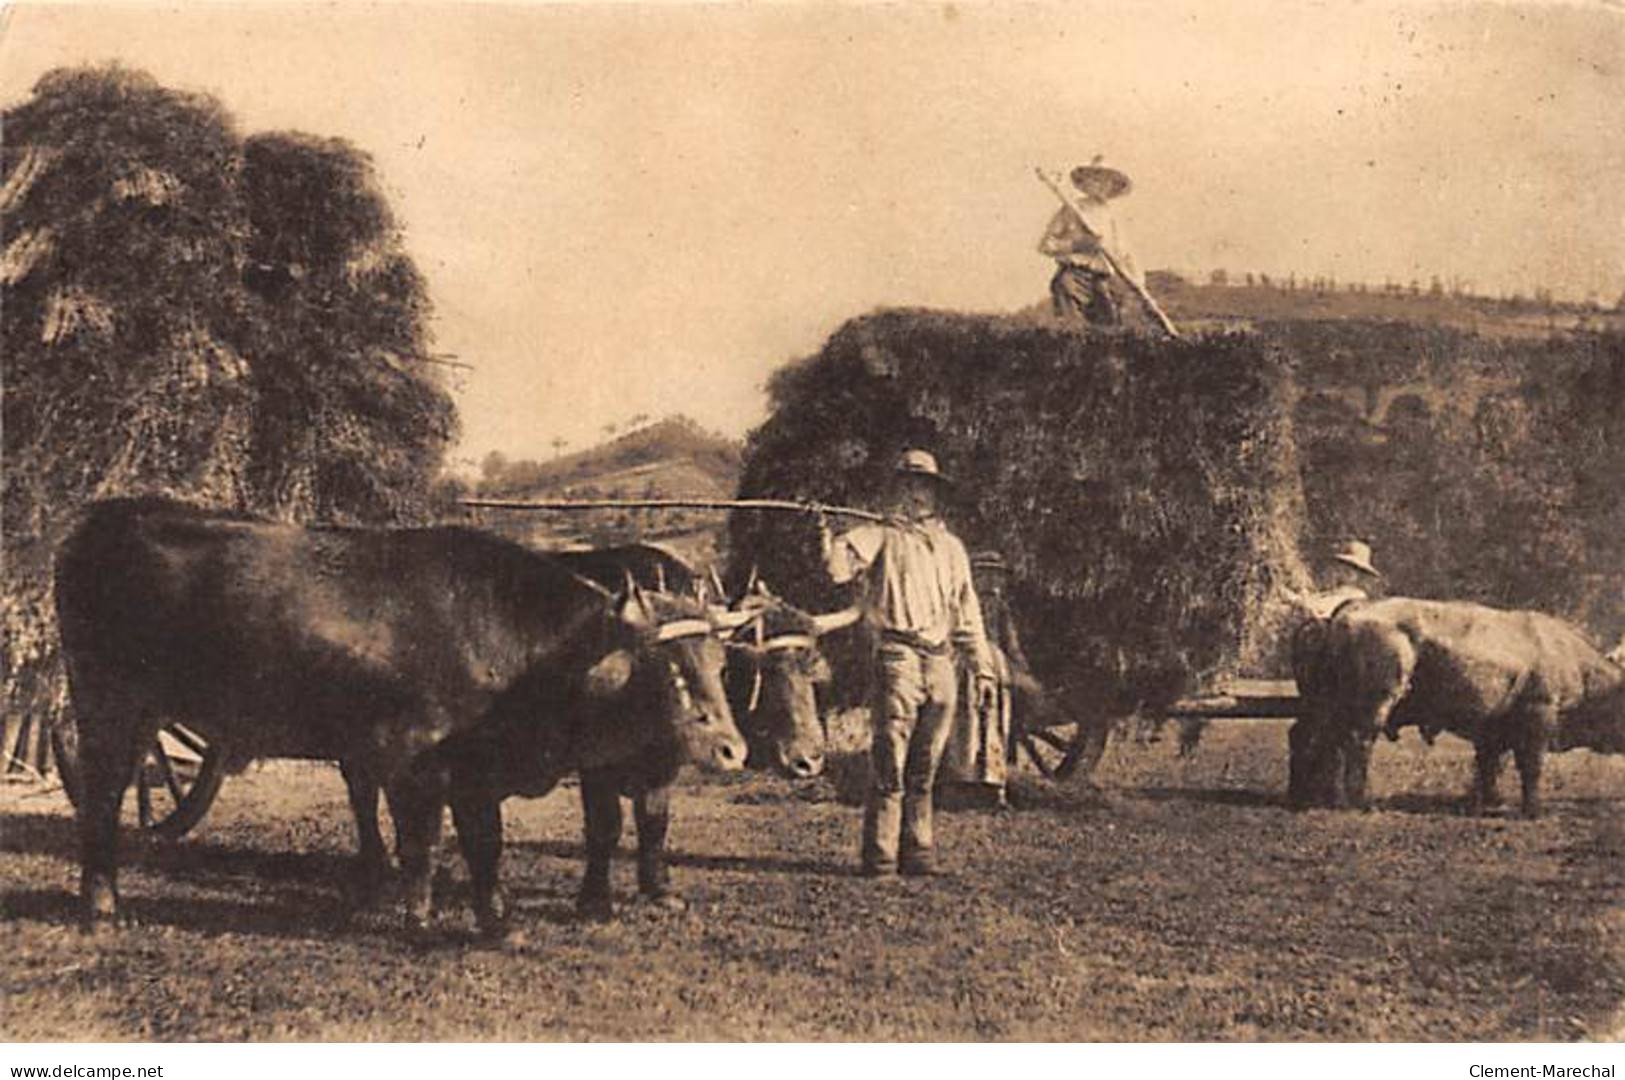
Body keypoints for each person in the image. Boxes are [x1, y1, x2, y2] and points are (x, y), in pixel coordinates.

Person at [817, 449, 996, 877]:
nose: (916, 495)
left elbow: (967, 613)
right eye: (908, 486)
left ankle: (919, 851)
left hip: (941, 662)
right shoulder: (880, 535)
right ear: (897, 490)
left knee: (926, 764)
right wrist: (830, 534)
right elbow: (838, 571)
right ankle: (880, 856)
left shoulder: (952, 549)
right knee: (890, 762)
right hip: (898, 658)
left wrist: (982, 667)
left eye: (924, 487)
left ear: (936, 495)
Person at [941, 551, 1038, 810]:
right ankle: (964, 781)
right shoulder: (961, 604)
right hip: (967, 664)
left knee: (992, 724)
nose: (991, 582)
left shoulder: (999, 607)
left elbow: (1011, 642)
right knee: (966, 725)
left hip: (993, 667)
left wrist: (1022, 670)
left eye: (995, 576)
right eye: (984, 575)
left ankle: (992, 785)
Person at [1037, 158, 1143, 326]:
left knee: (1109, 327)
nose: (1101, 184)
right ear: (1086, 183)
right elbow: (1045, 245)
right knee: (1072, 330)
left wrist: (1138, 282)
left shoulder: (1112, 217)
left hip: (1102, 281)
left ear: (1112, 187)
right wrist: (1078, 245)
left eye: (1107, 181)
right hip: (1073, 278)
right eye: (1096, 179)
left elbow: (1125, 253)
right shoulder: (1072, 209)